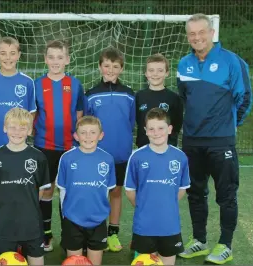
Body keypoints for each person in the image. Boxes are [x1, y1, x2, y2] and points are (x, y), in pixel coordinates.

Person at [177, 13, 252, 264]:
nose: (197, 37)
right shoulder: (183, 64)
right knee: (196, 193)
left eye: (201, 32)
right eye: (192, 34)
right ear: (188, 36)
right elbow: (185, 99)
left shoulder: (232, 61)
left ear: (211, 33)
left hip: (221, 141)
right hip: (192, 141)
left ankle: (225, 244)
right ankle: (199, 239)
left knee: (226, 195)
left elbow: (245, 99)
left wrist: (229, 125)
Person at [0, 37, 36, 254]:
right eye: (3, 53)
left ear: (19, 55)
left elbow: (31, 115)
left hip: (20, 148)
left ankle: (19, 237)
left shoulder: (27, 82)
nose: (8, 58)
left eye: (12, 53)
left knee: (19, 192)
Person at [33, 39, 84, 251]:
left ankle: (69, 238)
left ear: (67, 60)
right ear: (45, 59)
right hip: (44, 146)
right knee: (46, 189)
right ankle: (45, 234)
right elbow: (32, 115)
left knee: (68, 192)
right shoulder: (36, 84)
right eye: (51, 57)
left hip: (69, 148)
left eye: (60, 57)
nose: (55, 61)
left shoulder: (75, 84)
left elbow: (79, 116)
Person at [0, 107, 51, 266]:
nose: (17, 132)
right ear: (4, 128)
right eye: (12, 127)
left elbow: (40, 192)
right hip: (5, 224)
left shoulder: (38, 157)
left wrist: (27, 205)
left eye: (23, 128)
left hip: (31, 224)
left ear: (29, 131)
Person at [84, 47, 135, 252]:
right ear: (99, 67)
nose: (110, 70)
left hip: (121, 154)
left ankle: (112, 234)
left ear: (121, 69)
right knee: (96, 193)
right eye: (106, 66)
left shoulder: (129, 95)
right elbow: (86, 124)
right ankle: (94, 234)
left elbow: (131, 123)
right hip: (97, 154)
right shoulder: (91, 94)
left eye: (115, 66)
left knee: (115, 192)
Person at [125, 108, 190, 265]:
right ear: (145, 131)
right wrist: (144, 206)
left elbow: (182, 189)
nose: (156, 132)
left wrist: (166, 204)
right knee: (146, 262)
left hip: (170, 226)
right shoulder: (137, 156)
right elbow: (130, 190)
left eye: (161, 128)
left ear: (169, 129)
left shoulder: (180, 157)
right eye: (151, 129)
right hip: (144, 226)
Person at [57, 116, 116, 265]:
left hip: (98, 220)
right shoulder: (67, 158)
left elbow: (107, 191)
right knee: (74, 262)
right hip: (73, 220)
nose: (88, 137)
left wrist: (100, 211)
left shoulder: (107, 159)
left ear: (100, 135)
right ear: (76, 136)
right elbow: (62, 190)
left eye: (92, 132)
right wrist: (67, 215)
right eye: (83, 133)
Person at [135, 53, 183, 148]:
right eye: (151, 70)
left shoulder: (174, 98)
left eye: (160, 70)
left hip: (167, 148)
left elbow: (177, 125)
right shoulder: (138, 96)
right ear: (146, 73)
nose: (155, 74)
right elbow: (137, 120)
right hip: (144, 148)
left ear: (167, 73)